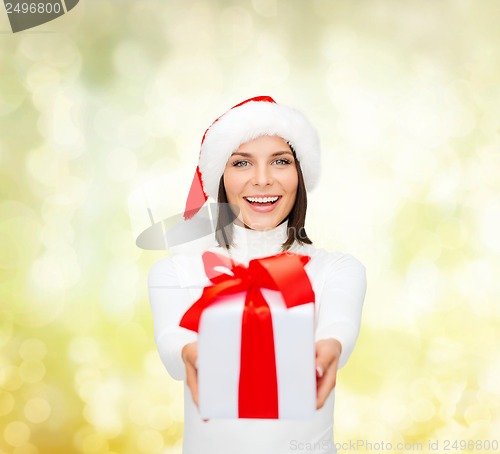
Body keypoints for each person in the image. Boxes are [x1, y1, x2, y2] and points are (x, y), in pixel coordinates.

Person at [148, 96, 366, 454]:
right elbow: (172, 337)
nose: (262, 180)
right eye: (241, 163)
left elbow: (338, 328)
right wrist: (189, 352)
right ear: (220, 177)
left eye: (280, 161)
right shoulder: (177, 271)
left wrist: (330, 348)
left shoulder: (336, 269)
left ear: (300, 174)